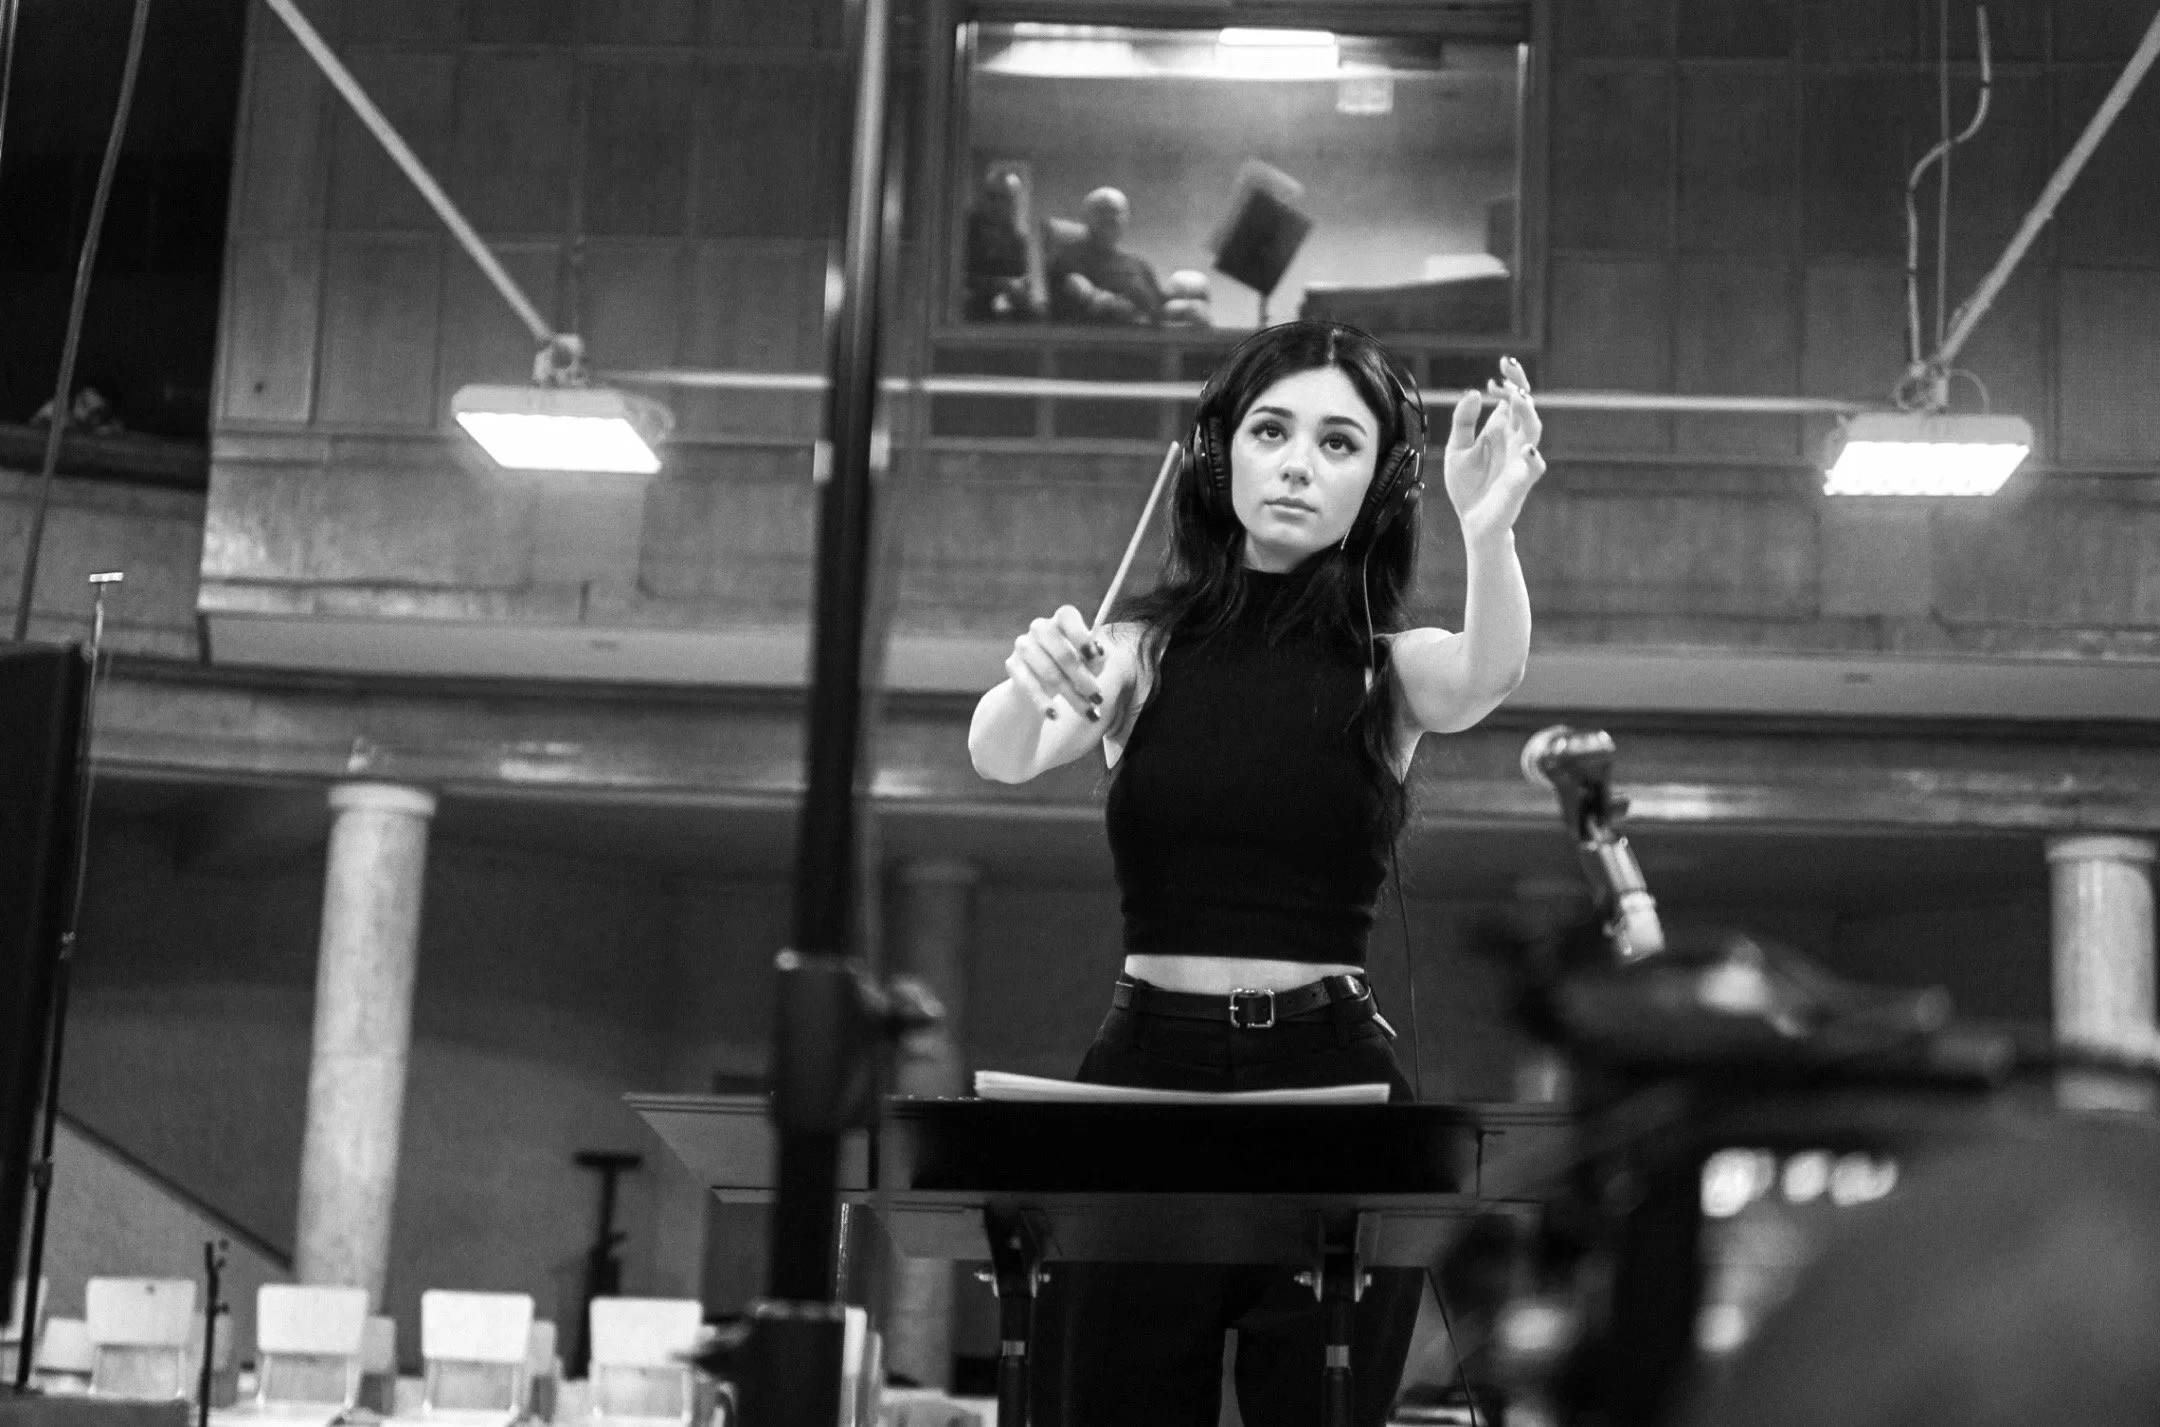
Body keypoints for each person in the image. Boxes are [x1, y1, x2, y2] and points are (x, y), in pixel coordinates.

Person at [967, 321, 1545, 1427]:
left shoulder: (1386, 662)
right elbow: (1004, 749)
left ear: (1379, 481)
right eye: (1272, 430)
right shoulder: (1139, 644)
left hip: (1330, 1070)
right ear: (1217, 451)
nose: (1296, 462)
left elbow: (1485, 673)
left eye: (1339, 443)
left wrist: (1491, 526)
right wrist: (1028, 674)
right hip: (1147, 1066)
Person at [1047, 187, 1165, 325]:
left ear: (1126, 219)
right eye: (1101, 212)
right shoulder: (1067, 260)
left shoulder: (1140, 266)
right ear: (1086, 218)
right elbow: (1086, 310)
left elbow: (1158, 311)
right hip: (1098, 342)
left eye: (1115, 212)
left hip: (1147, 340)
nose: (1109, 217)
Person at [963, 168, 1039, 322]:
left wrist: (1021, 286)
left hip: (1004, 306)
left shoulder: (1017, 236)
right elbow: (953, 277)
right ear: (982, 197)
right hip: (967, 306)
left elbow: (1022, 275)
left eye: (1005, 198)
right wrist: (999, 284)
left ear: (1014, 202)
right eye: (992, 197)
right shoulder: (963, 229)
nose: (998, 204)